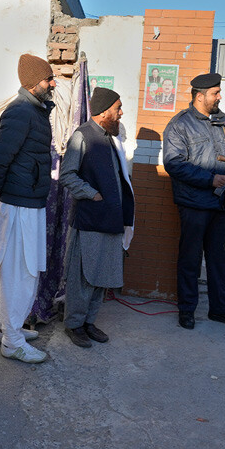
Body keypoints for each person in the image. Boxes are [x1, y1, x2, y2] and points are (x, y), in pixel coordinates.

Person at [163, 73, 225, 331]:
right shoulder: (180, 124)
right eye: (216, 93)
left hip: (222, 204)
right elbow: (173, 163)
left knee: (219, 260)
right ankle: (187, 310)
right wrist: (209, 180)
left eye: (219, 92)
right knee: (190, 259)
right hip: (194, 203)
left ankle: (219, 309)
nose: (220, 97)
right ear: (200, 97)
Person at [0, 53, 56, 363]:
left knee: (18, 270)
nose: (52, 83)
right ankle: (12, 341)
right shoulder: (20, 112)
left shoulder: (35, 111)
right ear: (32, 83)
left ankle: (6, 328)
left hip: (27, 201)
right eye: (47, 79)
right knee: (20, 272)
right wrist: (0, 192)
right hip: (19, 204)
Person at [59, 87, 134, 347]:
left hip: (111, 219)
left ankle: (89, 322)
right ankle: (74, 324)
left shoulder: (111, 137)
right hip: (90, 220)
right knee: (83, 276)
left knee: (103, 274)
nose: (121, 112)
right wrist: (92, 195)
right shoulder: (83, 136)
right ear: (104, 112)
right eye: (118, 108)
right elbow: (67, 174)